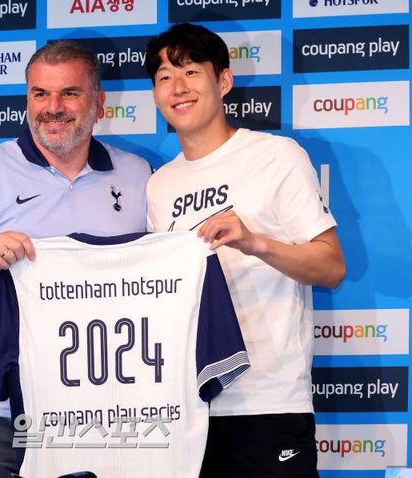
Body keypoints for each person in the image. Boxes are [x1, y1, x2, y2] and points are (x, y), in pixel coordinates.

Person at [0, 40, 151, 478]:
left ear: (99, 103)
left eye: (69, 93)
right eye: (40, 94)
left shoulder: (138, 175)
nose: (53, 108)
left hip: (98, 411)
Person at [144, 23, 345, 478]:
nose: (178, 87)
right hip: (189, 409)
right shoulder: (159, 185)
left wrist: (255, 243)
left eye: (191, 72)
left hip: (267, 404)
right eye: (165, 77)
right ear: (155, 95)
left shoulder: (276, 156)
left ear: (224, 81)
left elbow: (331, 266)